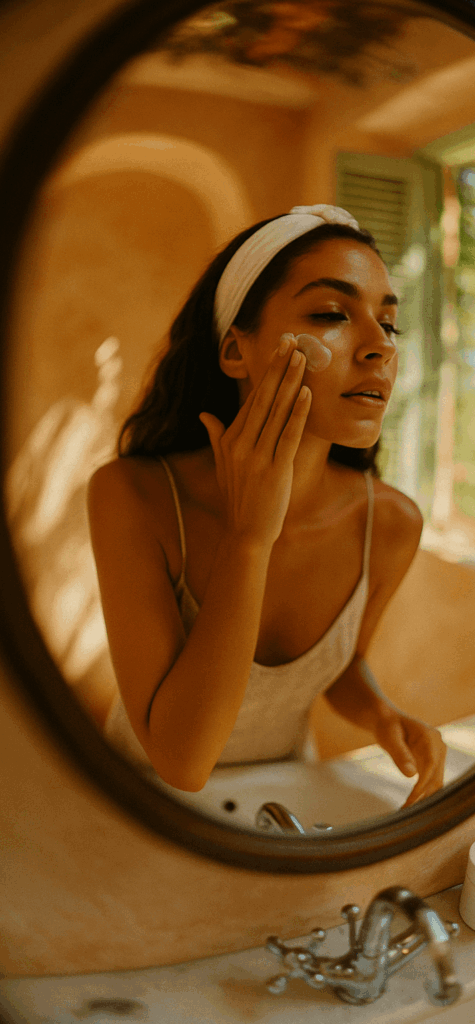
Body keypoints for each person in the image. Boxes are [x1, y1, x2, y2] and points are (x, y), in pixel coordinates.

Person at [89, 204, 447, 806]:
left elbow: (341, 666)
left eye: (389, 323)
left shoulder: (389, 524)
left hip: (283, 796)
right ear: (236, 351)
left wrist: (383, 716)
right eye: (332, 313)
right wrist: (249, 539)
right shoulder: (133, 496)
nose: (380, 347)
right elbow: (181, 761)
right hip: (140, 803)